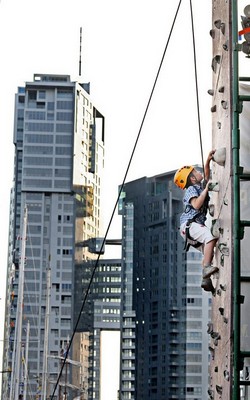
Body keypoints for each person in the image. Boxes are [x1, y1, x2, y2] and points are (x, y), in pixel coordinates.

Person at [174, 150, 218, 292]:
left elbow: (206, 176)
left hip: (189, 229)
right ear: (192, 179)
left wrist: (208, 161)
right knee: (210, 239)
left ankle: (205, 279)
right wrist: (206, 189)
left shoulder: (197, 186)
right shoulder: (192, 189)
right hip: (190, 225)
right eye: (195, 171)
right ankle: (206, 269)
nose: (198, 171)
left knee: (209, 251)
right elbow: (196, 205)